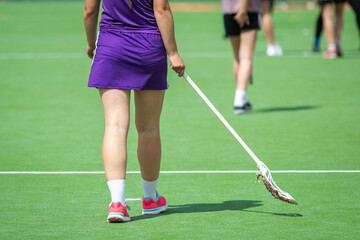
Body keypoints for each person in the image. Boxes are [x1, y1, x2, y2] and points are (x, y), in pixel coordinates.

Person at [83, 0, 185, 223]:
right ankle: (150, 199)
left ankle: (117, 203)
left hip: (111, 47)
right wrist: (173, 52)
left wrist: (91, 43)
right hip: (148, 47)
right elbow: (162, 9)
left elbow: (89, 10)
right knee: (149, 128)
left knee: (115, 125)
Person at [221, 0, 261, 114]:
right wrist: (243, 9)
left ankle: (242, 97)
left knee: (238, 56)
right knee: (246, 57)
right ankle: (240, 99)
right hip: (247, 10)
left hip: (228, 11)